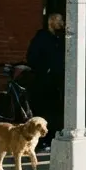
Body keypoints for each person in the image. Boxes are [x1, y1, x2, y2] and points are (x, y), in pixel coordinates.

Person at [26, 13, 66, 150]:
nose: (62, 23)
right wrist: (45, 69)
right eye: (59, 21)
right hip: (43, 82)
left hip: (57, 82)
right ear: (51, 22)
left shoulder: (60, 38)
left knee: (55, 111)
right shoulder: (41, 38)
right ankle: (40, 141)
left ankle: (51, 138)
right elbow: (32, 57)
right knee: (43, 111)